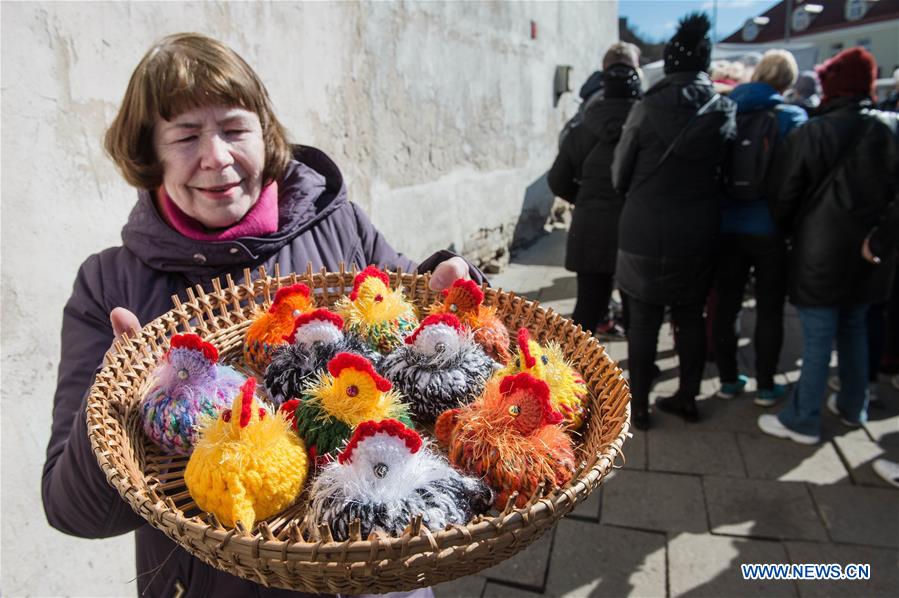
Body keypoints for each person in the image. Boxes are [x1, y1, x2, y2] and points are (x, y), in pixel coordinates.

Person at [41, 33, 477, 597]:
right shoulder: (108, 286)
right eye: (186, 135)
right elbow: (75, 512)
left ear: (265, 133)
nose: (216, 157)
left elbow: (417, 349)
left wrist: (450, 293)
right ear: (150, 152)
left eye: (234, 128)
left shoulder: (339, 227)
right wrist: (119, 402)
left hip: (370, 577)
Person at [757, 47, 899, 445]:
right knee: (854, 327)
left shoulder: (813, 131)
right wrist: (882, 238)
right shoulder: (891, 127)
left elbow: (783, 195)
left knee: (819, 336)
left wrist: (793, 232)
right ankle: (855, 406)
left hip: (821, 252)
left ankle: (803, 419)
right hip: (871, 255)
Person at [612, 13, 737, 429]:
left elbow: (619, 173)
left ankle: (642, 407)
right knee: (689, 317)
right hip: (697, 231)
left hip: (643, 229)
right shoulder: (722, 109)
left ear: (668, 63)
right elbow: (730, 176)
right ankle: (687, 397)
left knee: (644, 321)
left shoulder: (646, 108)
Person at [713, 50, 808, 406]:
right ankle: (766, 385)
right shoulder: (792, 117)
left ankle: (727, 379)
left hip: (726, 224)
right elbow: (800, 175)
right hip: (770, 226)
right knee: (769, 308)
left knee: (727, 305)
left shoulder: (727, 108)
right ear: (786, 82)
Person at [548, 42, 643, 339]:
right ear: (636, 74)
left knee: (587, 310)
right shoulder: (649, 124)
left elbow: (557, 179)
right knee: (637, 312)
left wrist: (585, 199)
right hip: (635, 228)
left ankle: (573, 377)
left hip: (591, 227)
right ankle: (642, 376)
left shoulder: (583, 125)